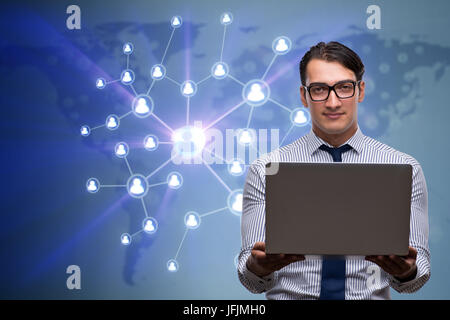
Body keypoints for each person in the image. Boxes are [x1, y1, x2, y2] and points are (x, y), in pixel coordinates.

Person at [237, 41, 430, 299]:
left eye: (343, 88)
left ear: (360, 91)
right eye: (319, 89)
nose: (333, 102)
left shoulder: (405, 168)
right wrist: (256, 267)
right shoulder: (265, 170)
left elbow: (415, 278)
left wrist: (406, 272)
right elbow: (251, 280)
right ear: (304, 96)